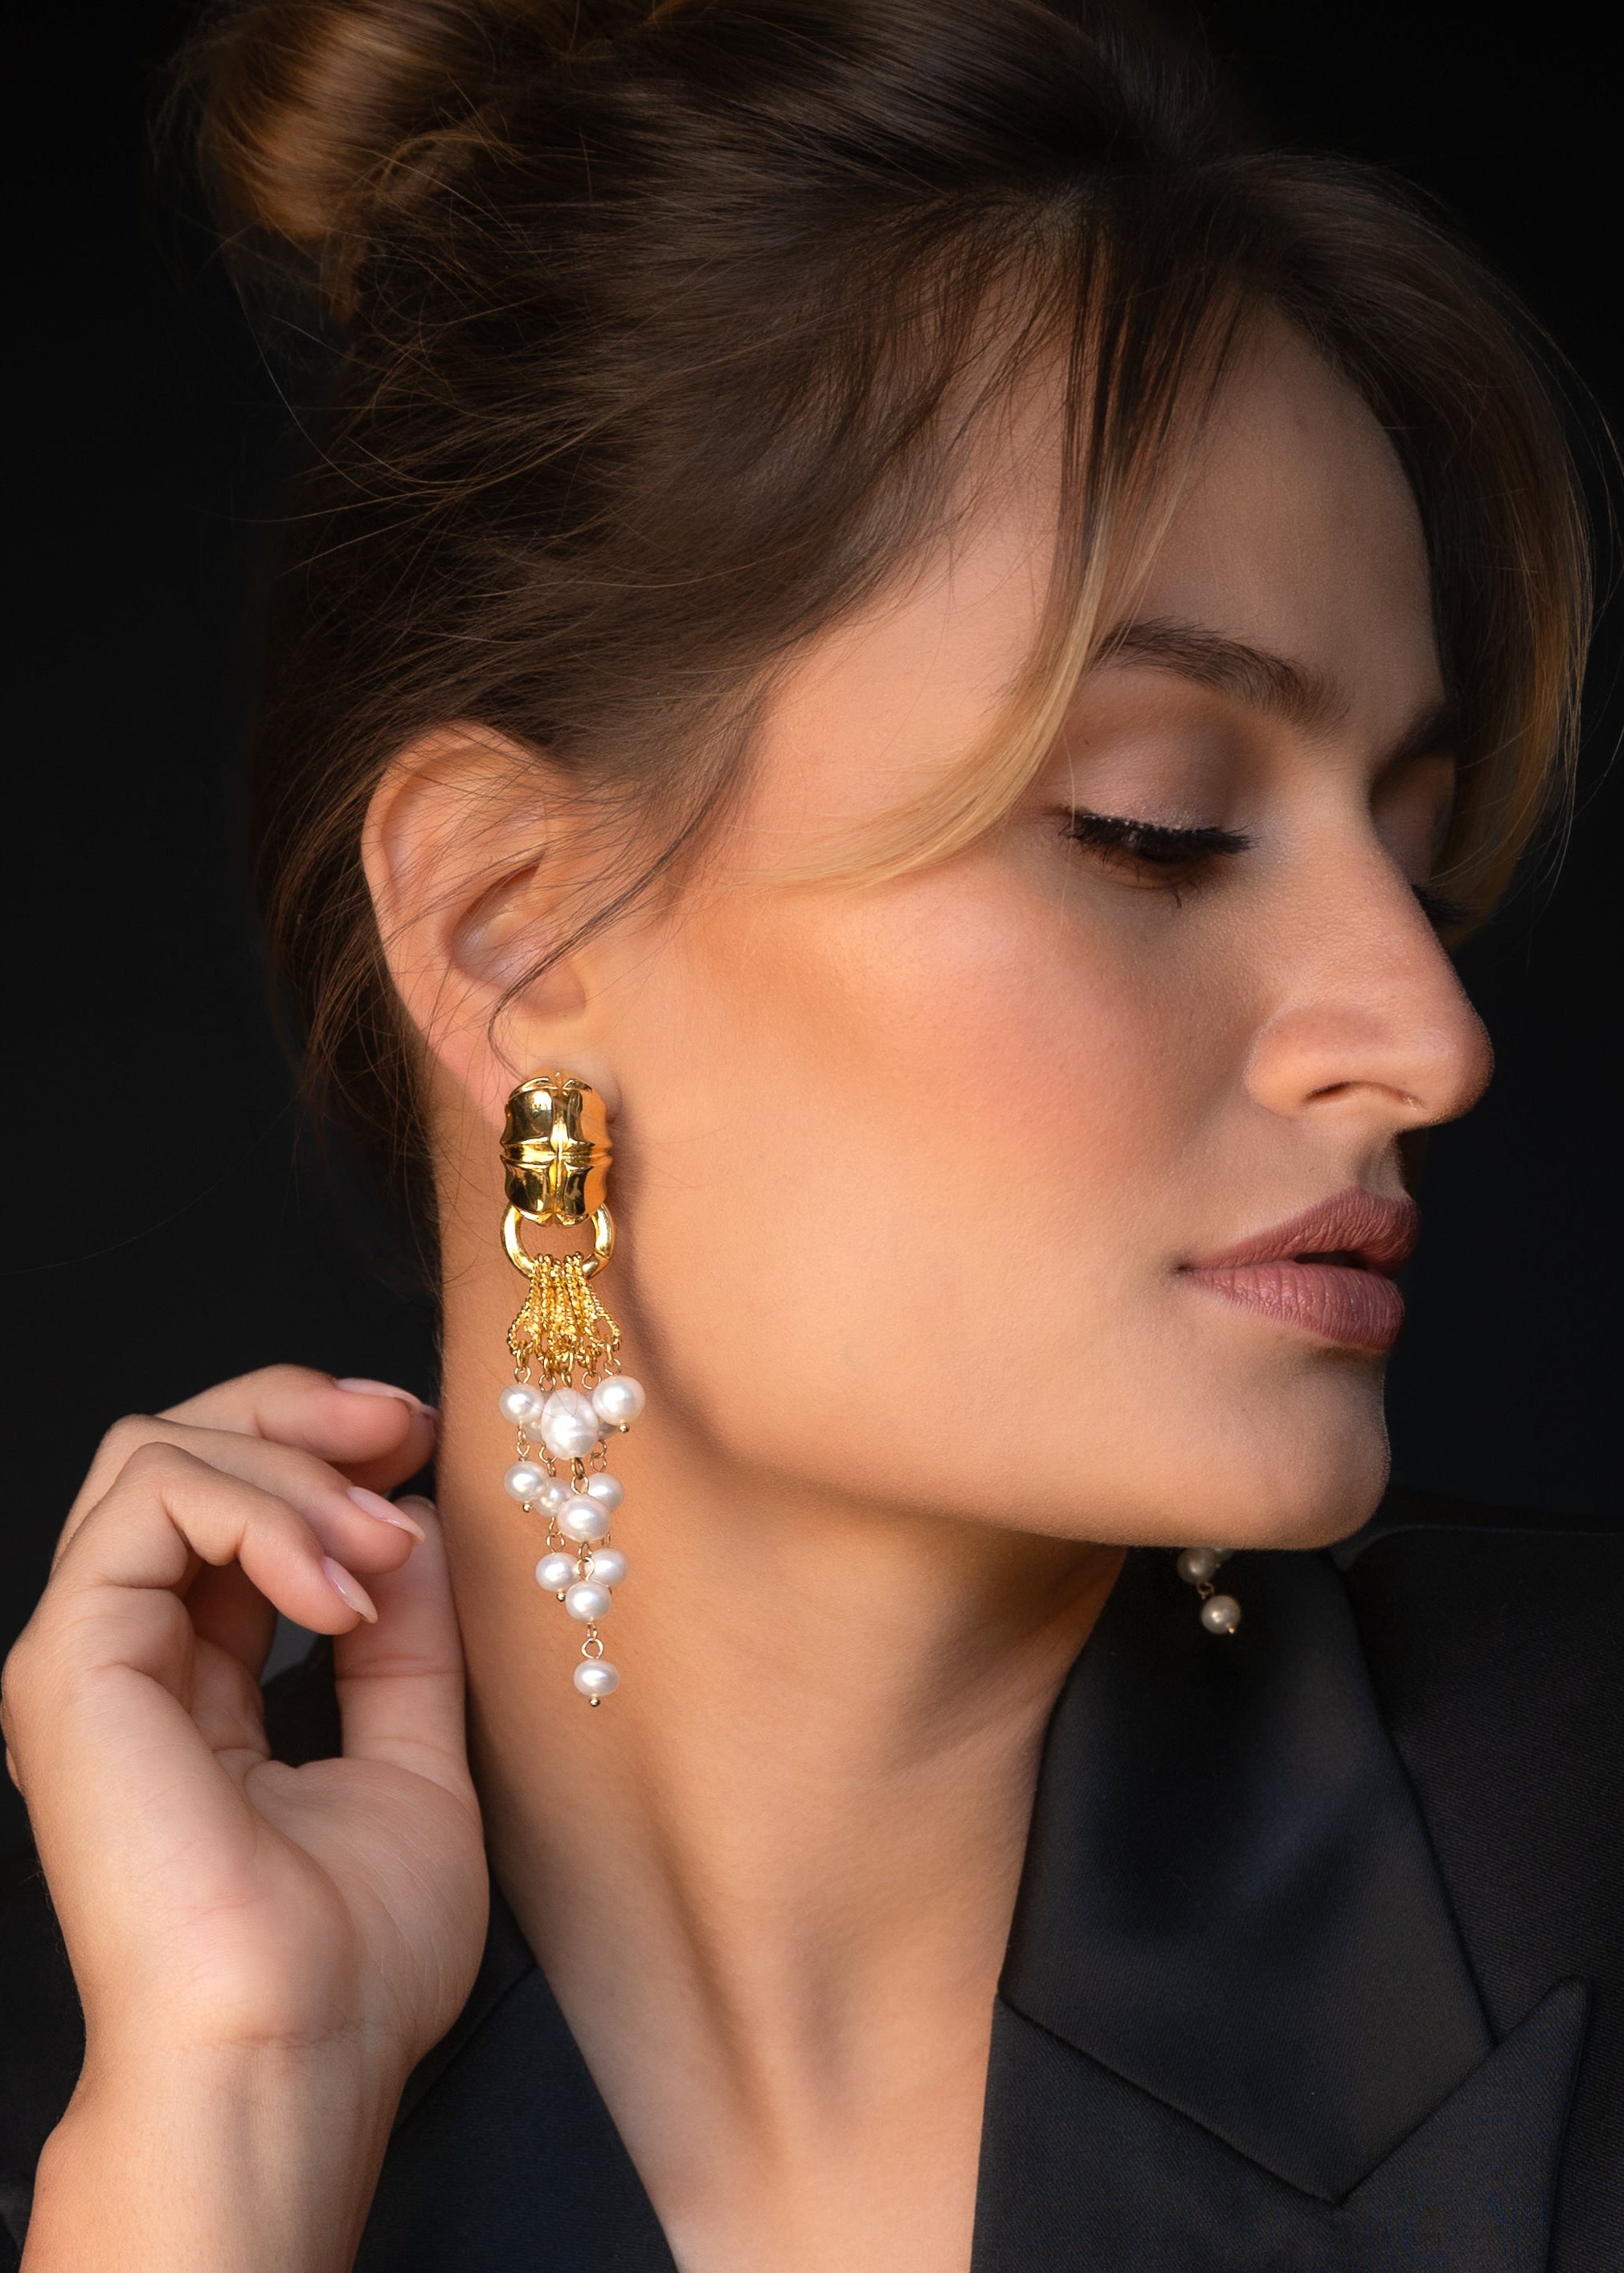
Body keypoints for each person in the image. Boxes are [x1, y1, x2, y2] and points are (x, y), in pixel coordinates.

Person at [2, 2, 1618, 2267]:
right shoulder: (114, 2084)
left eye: (1415, 857)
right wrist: (216, 2151)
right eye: (1158, 831)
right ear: (509, 930)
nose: (1426, 1035)